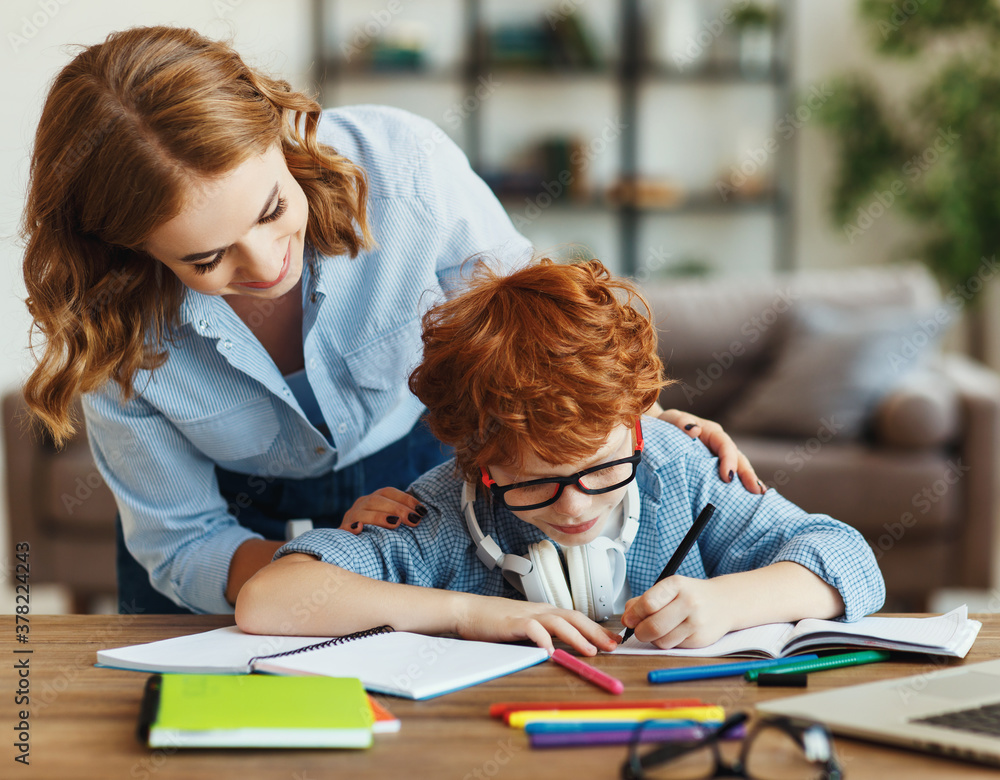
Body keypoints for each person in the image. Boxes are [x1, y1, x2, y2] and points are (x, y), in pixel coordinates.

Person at [19, 26, 760, 616]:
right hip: (220, 545)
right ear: (129, 251)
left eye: (274, 209)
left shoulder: (405, 171)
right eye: (207, 258)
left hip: (411, 472)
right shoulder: (108, 324)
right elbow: (183, 543)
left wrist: (642, 428)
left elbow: (533, 337)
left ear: (278, 131)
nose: (268, 262)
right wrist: (324, 581)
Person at [235, 260, 885, 653]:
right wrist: (470, 613)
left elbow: (852, 562)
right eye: (533, 483)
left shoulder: (676, 467)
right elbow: (268, 599)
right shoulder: (440, 512)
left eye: (602, 469)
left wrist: (728, 604)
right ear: (478, 462)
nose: (575, 506)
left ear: (635, 426)